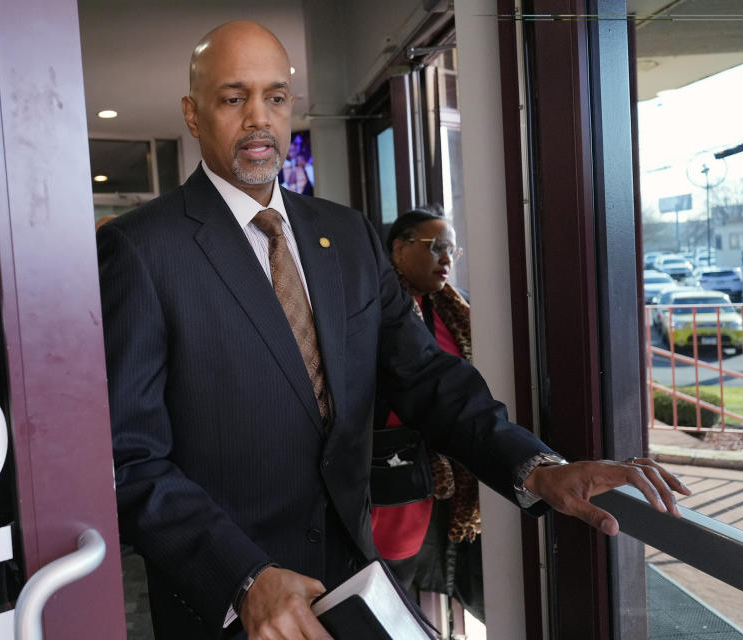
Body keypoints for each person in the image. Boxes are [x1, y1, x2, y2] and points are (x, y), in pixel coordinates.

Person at [96, 20, 689, 640]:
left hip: (352, 576)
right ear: (193, 115)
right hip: (230, 602)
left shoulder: (347, 235)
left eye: (274, 97)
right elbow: (130, 459)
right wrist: (244, 577)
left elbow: (426, 375)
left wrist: (536, 468)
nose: (258, 119)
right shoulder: (141, 250)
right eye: (232, 97)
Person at [371, 206, 484, 624]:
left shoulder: (455, 309)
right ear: (399, 249)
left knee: (432, 580)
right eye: (435, 247)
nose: (447, 259)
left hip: (450, 477)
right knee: (389, 589)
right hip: (395, 475)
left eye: (451, 249)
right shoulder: (376, 311)